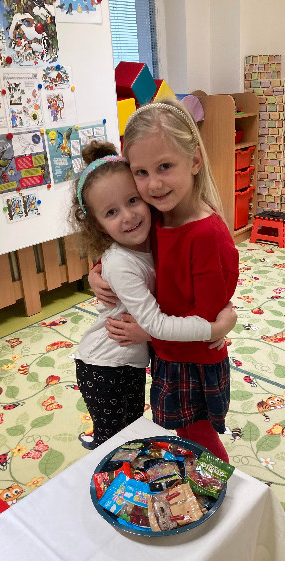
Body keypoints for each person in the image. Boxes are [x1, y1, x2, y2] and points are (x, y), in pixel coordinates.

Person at [88, 99, 239, 462]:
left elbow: (207, 320)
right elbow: (127, 247)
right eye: (141, 172)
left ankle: (219, 484)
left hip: (193, 358)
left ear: (195, 161)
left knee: (198, 434)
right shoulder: (157, 215)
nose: (154, 184)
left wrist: (149, 333)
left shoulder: (205, 235)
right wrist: (96, 271)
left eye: (165, 167)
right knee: (185, 432)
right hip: (167, 351)